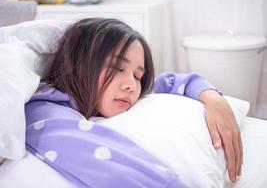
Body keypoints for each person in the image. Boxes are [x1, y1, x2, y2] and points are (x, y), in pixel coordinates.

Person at [25, 18, 242, 187]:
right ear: (79, 61)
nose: (130, 85)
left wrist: (214, 99)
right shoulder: (42, 111)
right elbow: (110, 166)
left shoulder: (113, 92)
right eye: (117, 68)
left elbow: (169, 81)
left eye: (137, 76)